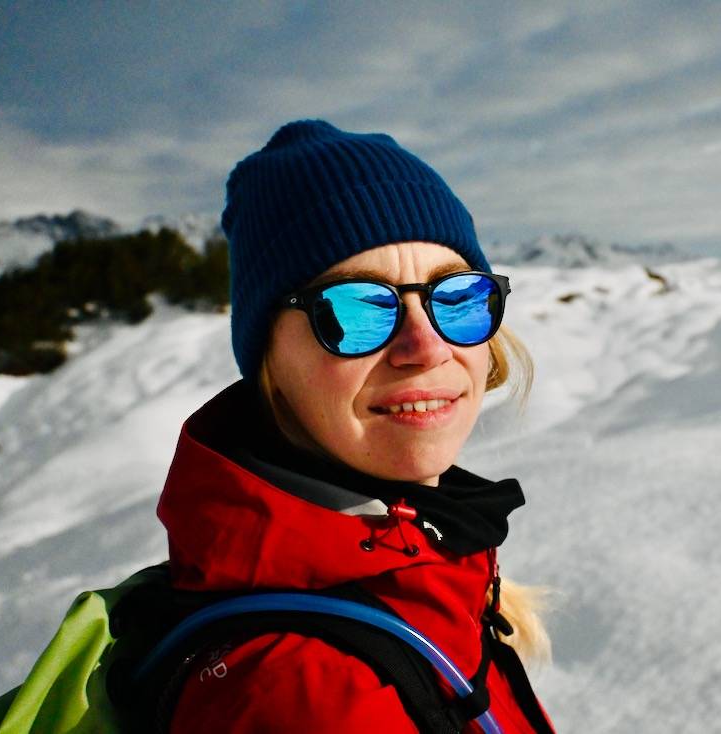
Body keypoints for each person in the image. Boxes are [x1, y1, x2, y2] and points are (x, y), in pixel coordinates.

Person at [156, 119, 555, 732]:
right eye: (356, 311)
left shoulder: (429, 560)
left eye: (457, 298)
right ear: (269, 361)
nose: (425, 346)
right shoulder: (306, 696)